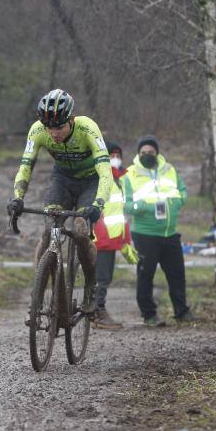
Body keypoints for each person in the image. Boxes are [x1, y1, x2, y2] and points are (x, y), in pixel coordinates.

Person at [7, 89, 112, 315]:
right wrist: (18, 198)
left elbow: (106, 171)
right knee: (48, 232)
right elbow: (26, 167)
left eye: (59, 127)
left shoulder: (87, 127)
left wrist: (99, 204)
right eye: (49, 128)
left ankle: (91, 287)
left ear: (71, 120)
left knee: (81, 231)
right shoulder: (37, 130)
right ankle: (38, 293)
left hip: (90, 182)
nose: (53, 133)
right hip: (62, 180)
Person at [121, 136, 196, 327]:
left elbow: (182, 190)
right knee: (146, 274)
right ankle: (149, 315)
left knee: (177, 273)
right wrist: (144, 206)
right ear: (138, 154)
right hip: (145, 233)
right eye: (143, 152)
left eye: (151, 152)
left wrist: (179, 201)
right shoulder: (129, 174)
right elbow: (126, 205)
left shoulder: (169, 170)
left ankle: (181, 311)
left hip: (170, 232)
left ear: (157, 153)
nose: (147, 155)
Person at [92, 141, 139, 330]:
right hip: (99, 240)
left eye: (118, 156)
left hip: (110, 240)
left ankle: (95, 312)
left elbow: (119, 216)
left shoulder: (118, 182)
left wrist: (126, 241)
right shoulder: (99, 180)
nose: (115, 159)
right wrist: (99, 236)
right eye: (111, 155)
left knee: (103, 278)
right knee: (101, 278)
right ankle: (97, 312)